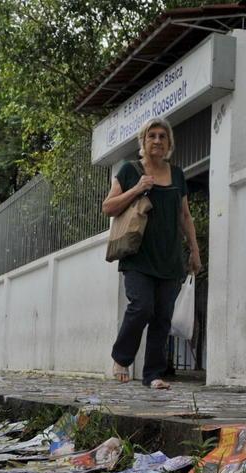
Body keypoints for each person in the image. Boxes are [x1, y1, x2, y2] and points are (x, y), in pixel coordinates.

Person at [103, 117, 201, 389]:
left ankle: (153, 375)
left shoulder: (178, 174)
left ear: (169, 143)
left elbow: (185, 216)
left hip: (170, 259)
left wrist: (194, 250)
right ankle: (121, 358)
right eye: (152, 136)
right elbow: (108, 208)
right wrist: (137, 189)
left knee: (162, 317)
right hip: (137, 257)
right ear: (143, 142)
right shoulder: (129, 170)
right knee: (141, 307)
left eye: (162, 136)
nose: (157, 141)